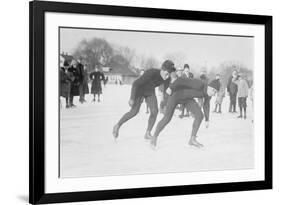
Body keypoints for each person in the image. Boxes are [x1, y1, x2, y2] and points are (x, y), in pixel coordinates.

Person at [150, 76, 220, 148]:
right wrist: (171, 87)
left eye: (216, 92)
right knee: (167, 118)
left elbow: (206, 105)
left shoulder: (208, 94)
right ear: (209, 86)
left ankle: (192, 139)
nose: (214, 94)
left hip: (187, 99)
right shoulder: (199, 84)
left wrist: (207, 119)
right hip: (176, 95)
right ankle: (154, 137)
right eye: (213, 91)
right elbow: (181, 80)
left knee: (199, 116)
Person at [112, 60, 175, 140]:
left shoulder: (167, 78)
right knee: (134, 112)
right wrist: (132, 98)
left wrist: (165, 104)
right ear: (162, 70)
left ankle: (148, 133)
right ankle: (117, 125)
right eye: (167, 73)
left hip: (150, 92)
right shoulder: (152, 72)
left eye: (169, 74)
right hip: (140, 90)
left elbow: (166, 92)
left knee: (154, 111)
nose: (167, 76)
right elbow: (136, 84)